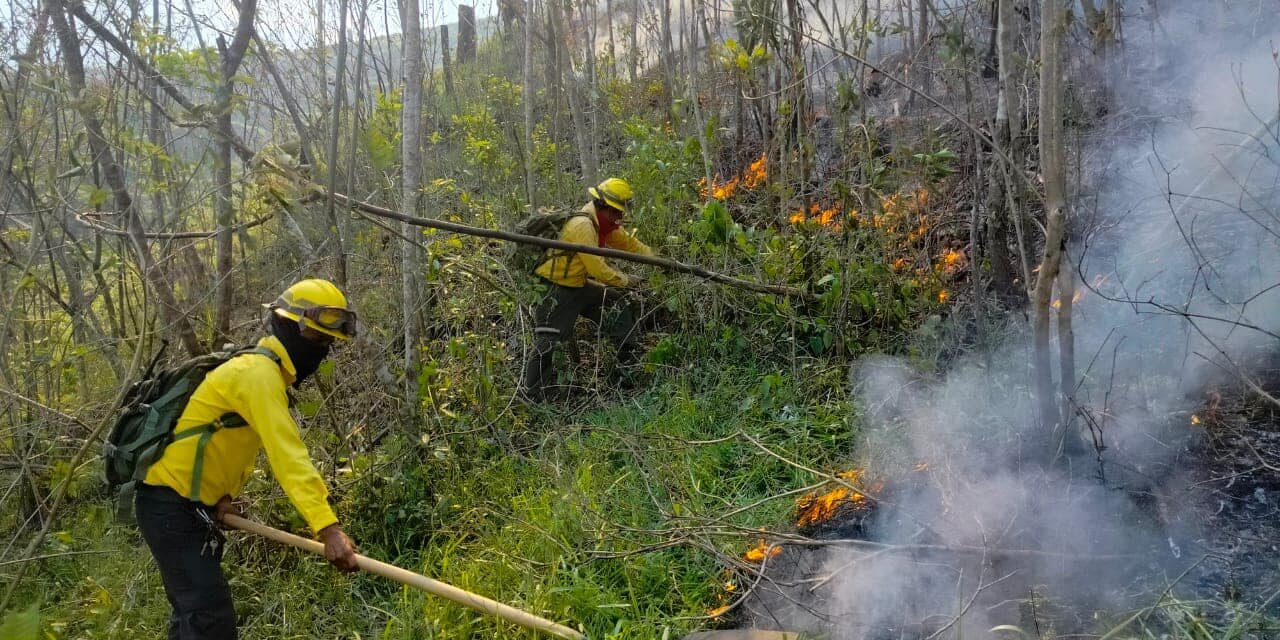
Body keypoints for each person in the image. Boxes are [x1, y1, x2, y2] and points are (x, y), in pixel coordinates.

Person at [136, 278, 360, 639]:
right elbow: (287, 455)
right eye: (318, 341)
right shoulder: (258, 375)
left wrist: (224, 496)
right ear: (289, 327)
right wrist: (327, 527)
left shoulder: (262, 372)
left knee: (195, 616)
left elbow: (230, 440)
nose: (322, 352)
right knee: (208, 617)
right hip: (169, 507)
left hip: (189, 507)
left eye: (329, 344)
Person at [519, 178, 654, 400]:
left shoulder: (603, 224)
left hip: (578, 285)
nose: (619, 218)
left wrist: (657, 258)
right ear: (604, 207)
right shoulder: (583, 226)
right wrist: (627, 280)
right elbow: (598, 269)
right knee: (548, 342)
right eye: (617, 212)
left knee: (615, 303)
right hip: (554, 290)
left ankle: (625, 370)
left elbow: (630, 244)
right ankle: (534, 396)